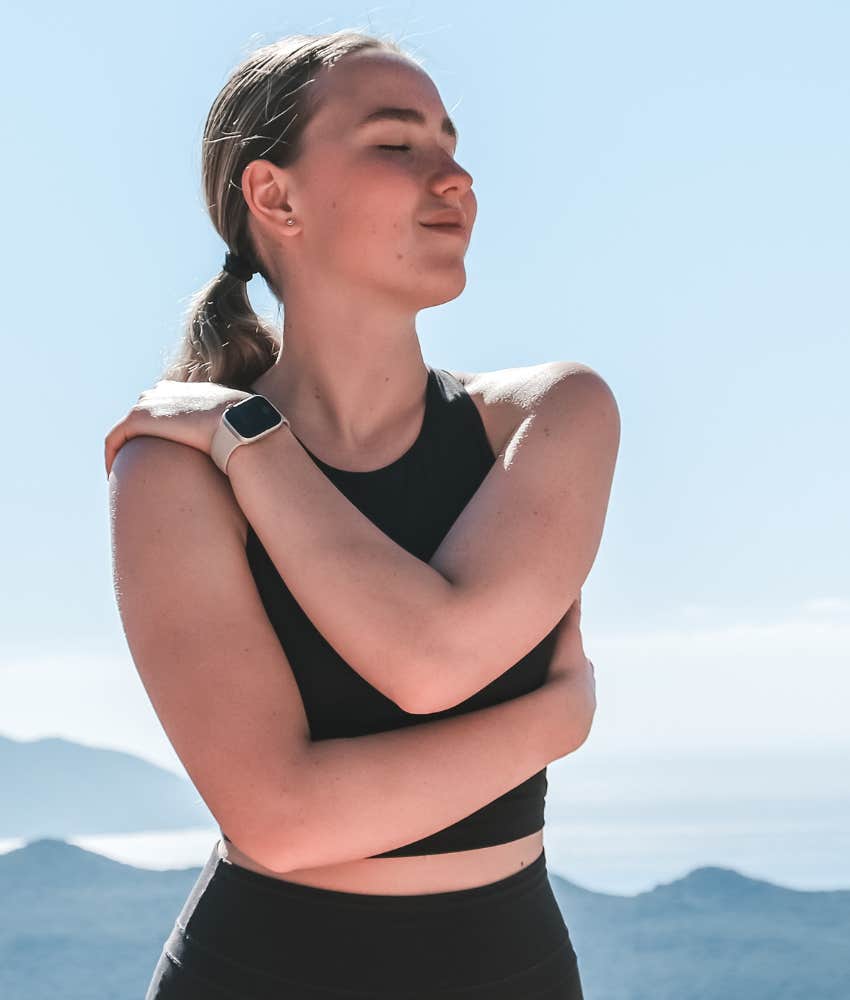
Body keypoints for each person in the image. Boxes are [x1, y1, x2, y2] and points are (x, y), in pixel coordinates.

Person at [106, 29, 618, 999]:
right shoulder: (171, 470)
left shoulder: (550, 415)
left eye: (451, 142)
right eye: (397, 144)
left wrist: (243, 442)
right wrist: (555, 718)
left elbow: (437, 657)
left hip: (511, 968)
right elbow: (286, 820)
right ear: (275, 196)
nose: (454, 175)